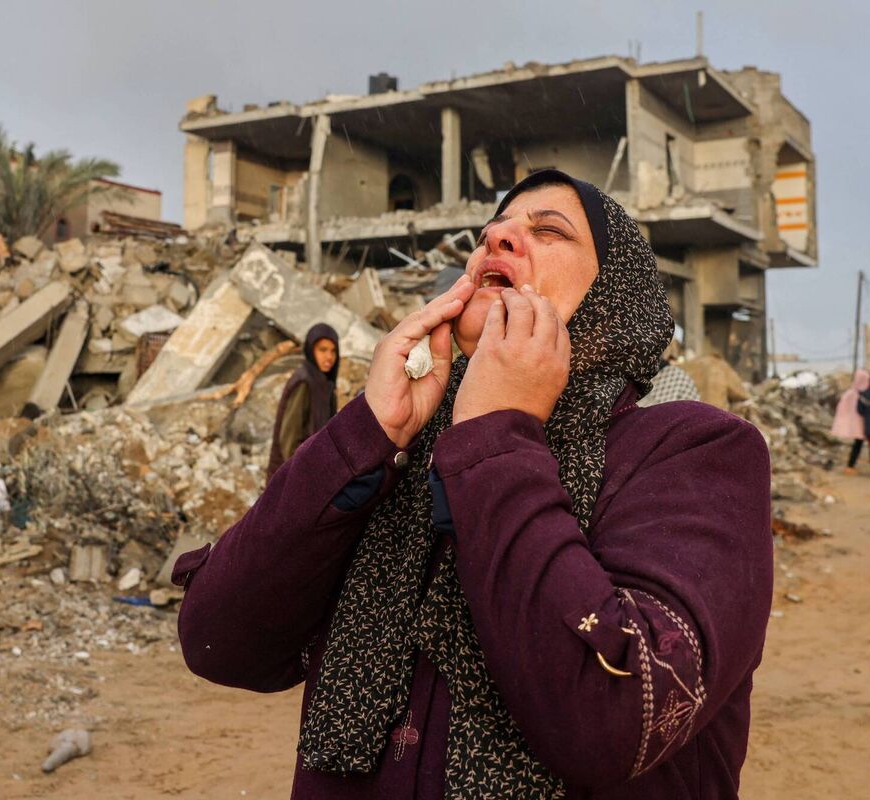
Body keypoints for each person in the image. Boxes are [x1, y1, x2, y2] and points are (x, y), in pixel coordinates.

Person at [174, 170, 772, 799]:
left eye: (549, 231)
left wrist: (496, 434)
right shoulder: (405, 453)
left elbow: (615, 719)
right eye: (491, 231)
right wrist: (366, 434)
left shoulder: (698, 452)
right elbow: (219, 642)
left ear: (613, 297)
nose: (497, 238)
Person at [266, 323, 339, 480]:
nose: (329, 357)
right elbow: (289, 439)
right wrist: (302, 476)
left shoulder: (324, 383)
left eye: (333, 351)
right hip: (290, 475)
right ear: (311, 350)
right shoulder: (304, 382)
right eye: (322, 350)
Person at [831, 369, 870, 474]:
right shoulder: (863, 396)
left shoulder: (848, 394)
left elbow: (841, 410)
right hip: (863, 423)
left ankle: (850, 466)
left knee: (858, 444)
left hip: (853, 424)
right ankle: (851, 466)